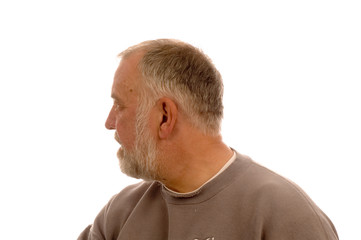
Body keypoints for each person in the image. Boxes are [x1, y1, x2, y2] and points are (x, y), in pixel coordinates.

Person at [78, 39, 338, 240]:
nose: (109, 122)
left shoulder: (286, 216)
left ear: (165, 117)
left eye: (119, 106)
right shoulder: (118, 215)